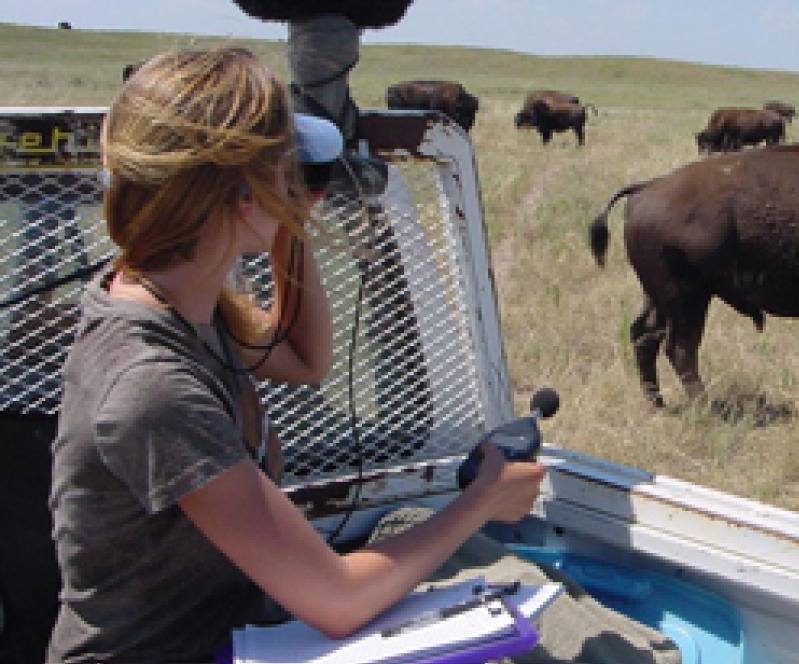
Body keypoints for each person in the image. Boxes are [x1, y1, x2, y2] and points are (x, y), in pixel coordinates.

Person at [45, 47, 546, 663]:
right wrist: (483, 500)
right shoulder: (152, 386)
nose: (301, 181)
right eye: (287, 168)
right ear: (242, 195)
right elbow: (337, 600)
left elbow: (304, 360)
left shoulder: (174, 296)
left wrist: (289, 223)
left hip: (236, 640)